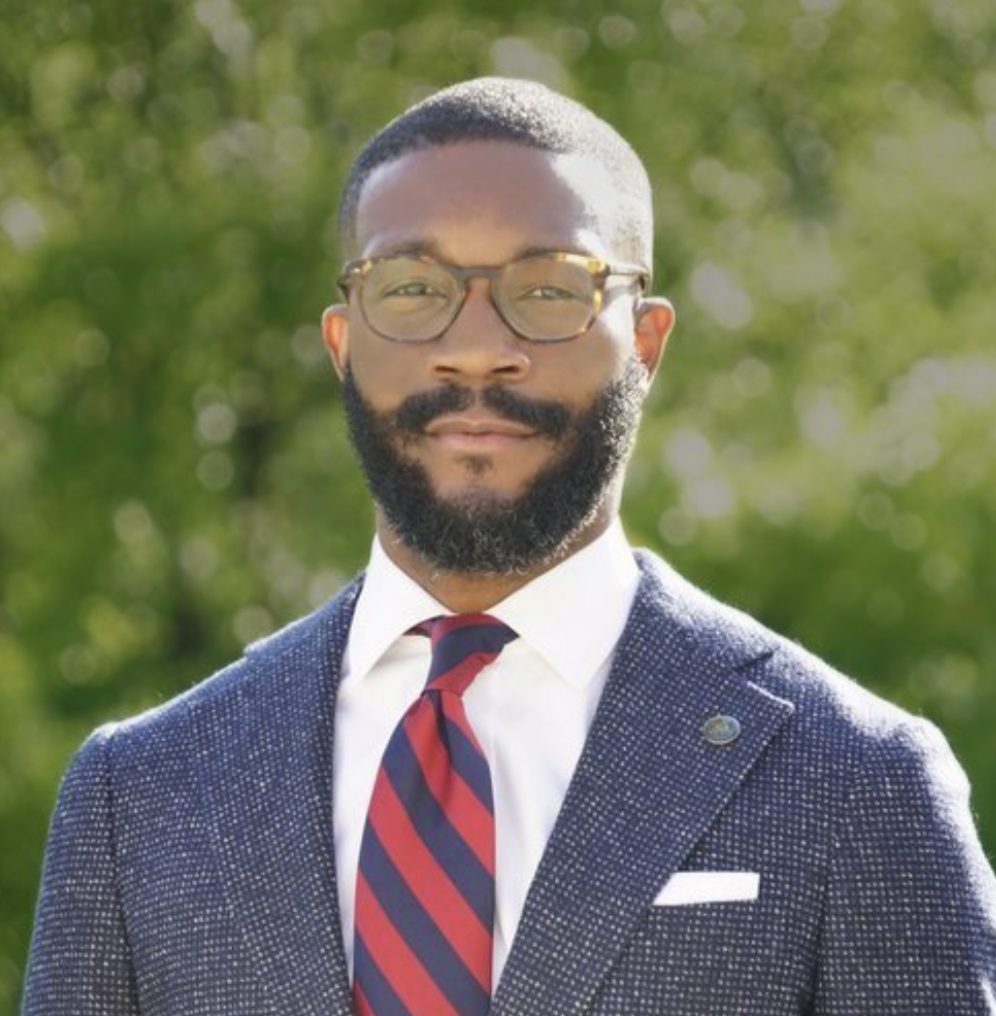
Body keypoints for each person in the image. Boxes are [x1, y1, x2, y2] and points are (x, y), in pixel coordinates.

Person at [22, 77, 996, 1016]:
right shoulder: (140, 794)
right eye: (411, 288)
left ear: (647, 341)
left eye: (549, 287)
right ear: (342, 342)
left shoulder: (857, 780)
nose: (478, 346)